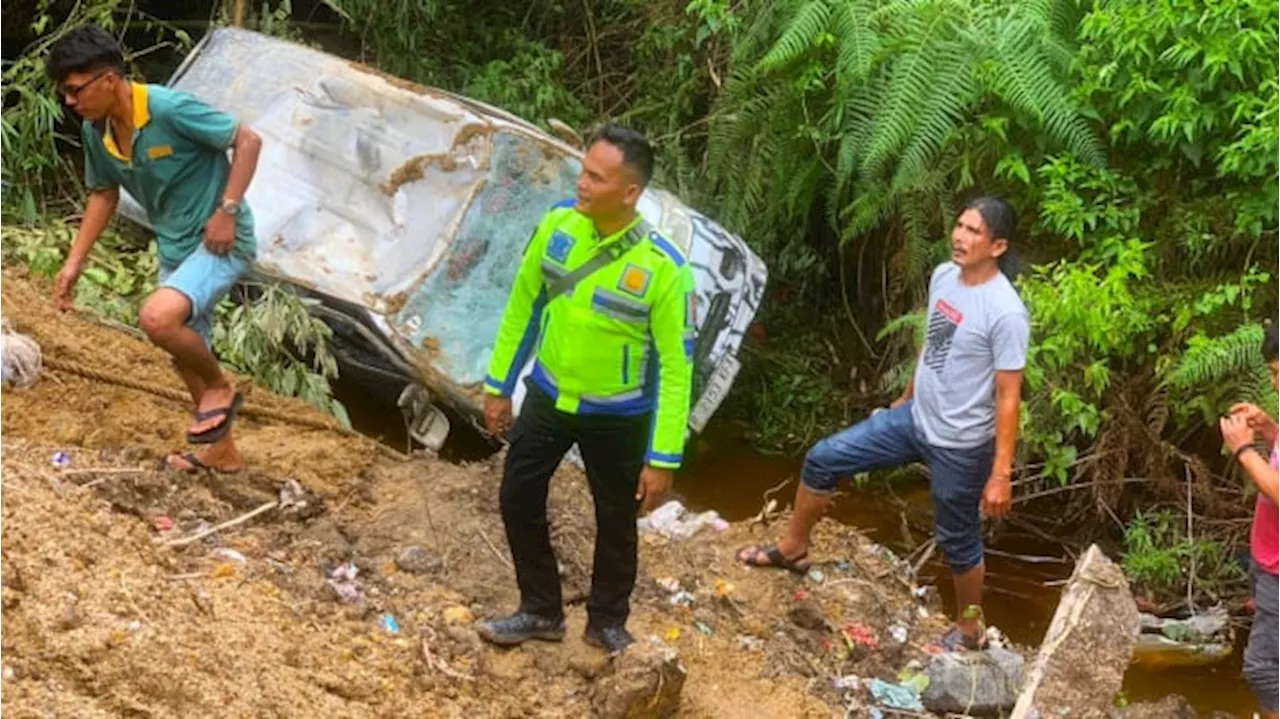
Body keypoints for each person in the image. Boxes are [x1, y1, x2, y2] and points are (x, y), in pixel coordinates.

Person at [736, 196, 1030, 651]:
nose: (960, 237)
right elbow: (933, 341)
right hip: (915, 418)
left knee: (959, 540)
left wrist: (1000, 473)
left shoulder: (1006, 312)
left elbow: (1009, 396)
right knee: (823, 459)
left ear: (997, 246)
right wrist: (909, 394)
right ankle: (793, 548)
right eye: (960, 226)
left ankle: (970, 627)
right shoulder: (943, 278)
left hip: (961, 443)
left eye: (974, 232)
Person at [476, 124, 696, 654]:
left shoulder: (665, 270)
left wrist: (663, 458)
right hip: (549, 398)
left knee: (616, 521)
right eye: (583, 171)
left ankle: (607, 621)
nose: (582, 184)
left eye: (596, 178)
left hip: (619, 418)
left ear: (630, 192)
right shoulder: (557, 228)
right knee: (517, 495)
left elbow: (676, 368)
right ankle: (540, 610)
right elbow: (523, 307)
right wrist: (498, 386)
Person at [46, 25, 262, 474]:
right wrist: (73, 265)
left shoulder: (167, 108)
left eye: (74, 90)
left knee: (157, 318)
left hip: (220, 241)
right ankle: (221, 452)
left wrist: (228, 209)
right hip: (176, 248)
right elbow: (103, 194)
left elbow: (248, 140)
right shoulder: (96, 130)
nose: (70, 102)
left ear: (108, 80)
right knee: (184, 351)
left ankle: (221, 388)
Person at [1217, 324, 1280, 719]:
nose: (1274, 385)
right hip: (1269, 560)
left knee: (1263, 668)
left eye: (1278, 373)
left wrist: (1243, 448)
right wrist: (1270, 430)